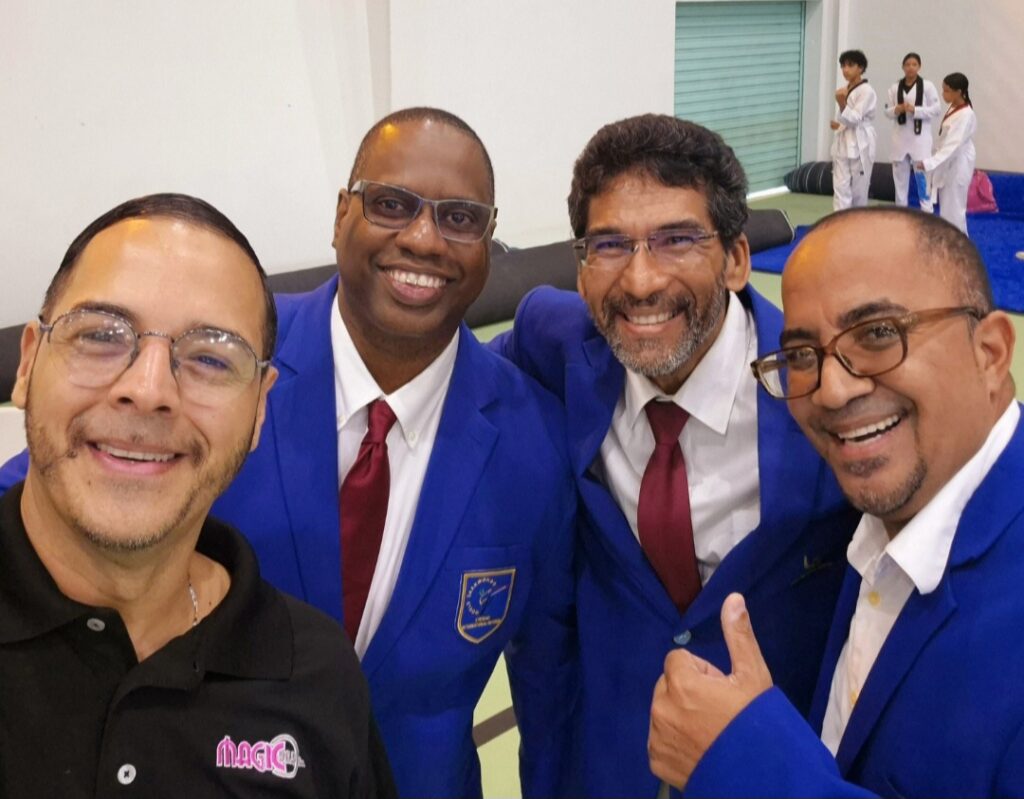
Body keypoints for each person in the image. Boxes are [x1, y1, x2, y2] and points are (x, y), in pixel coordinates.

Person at [0, 108, 578, 798]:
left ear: (489, 239)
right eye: (391, 204)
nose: (423, 238)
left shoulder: (535, 440)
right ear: (341, 215)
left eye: (460, 218)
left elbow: (550, 681)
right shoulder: (222, 365)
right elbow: (55, 485)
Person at [491, 114, 859, 797]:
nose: (639, 281)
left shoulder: (825, 392)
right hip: (606, 760)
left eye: (677, 240)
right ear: (580, 269)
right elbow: (459, 388)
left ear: (738, 258)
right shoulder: (554, 342)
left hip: (768, 765)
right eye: (609, 245)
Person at [0, 194, 395, 798]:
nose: (148, 389)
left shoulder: (316, 676)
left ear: (259, 407)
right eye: (101, 334)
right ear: (28, 364)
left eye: (210, 357)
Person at [648, 206, 1024, 798]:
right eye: (801, 356)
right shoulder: (883, 520)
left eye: (878, 334)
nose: (832, 389)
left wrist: (745, 763)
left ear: (992, 352)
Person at [917, 72, 977, 234]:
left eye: (947, 91)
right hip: (948, 162)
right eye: (943, 90)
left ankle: (960, 244)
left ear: (959, 92)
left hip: (958, 163)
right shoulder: (954, 107)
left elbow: (952, 145)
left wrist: (930, 163)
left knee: (955, 208)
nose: (943, 94)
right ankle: (949, 241)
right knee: (947, 207)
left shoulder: (966, 115)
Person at [884, 52, 941, 211]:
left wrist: (915, 110)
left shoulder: (927, 86)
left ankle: (926, 210)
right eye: (907, 64)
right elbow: (887, 111)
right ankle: (901, 211)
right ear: (903, 67)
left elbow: (936, 110)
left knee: (922, 177)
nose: (910, 67)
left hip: (920, 139)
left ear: (919, 67)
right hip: (900, 139)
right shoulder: (894, 87)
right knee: (900, 181)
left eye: (914, 64)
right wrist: (897, 109)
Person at [831, 50, 878, 211]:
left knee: (859, 190)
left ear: (861, 68)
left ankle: (857, 221)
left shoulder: (867, 91)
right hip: (843, 142)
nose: (845, 70)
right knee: (840, 186)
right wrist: (838, 125)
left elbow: (855, 118)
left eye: (850, 65)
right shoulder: (844, 89)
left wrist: (841, 103)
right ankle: (840, 220)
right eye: (843, 66)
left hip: (861, 142)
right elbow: (845, 119)